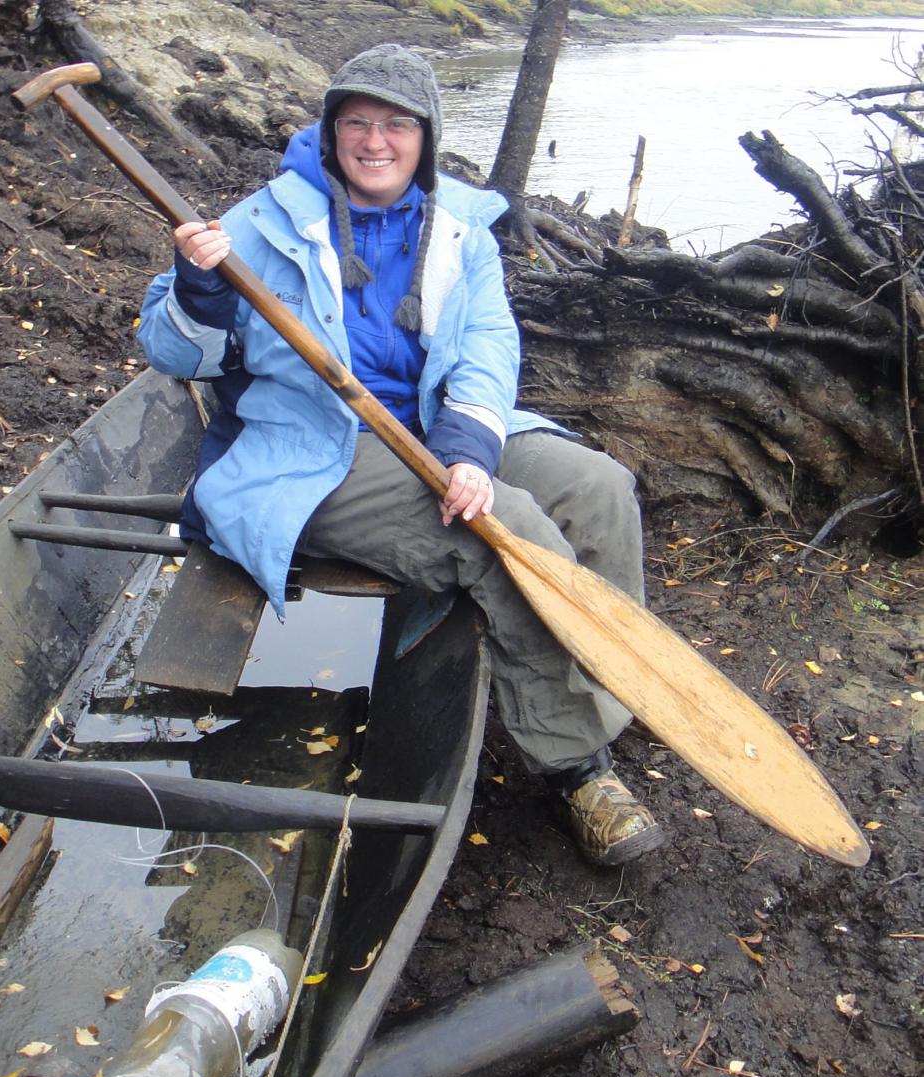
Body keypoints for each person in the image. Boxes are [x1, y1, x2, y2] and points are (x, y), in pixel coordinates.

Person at [137, 44, 665, 866]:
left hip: (429, 425)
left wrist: (467, 449)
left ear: (426, 137)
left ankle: (614, 680)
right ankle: (576, 767)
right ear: (330, 132)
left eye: (396, 125)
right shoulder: (258, 225)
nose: (374, 141)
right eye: (356, 122)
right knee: (497, 530)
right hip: (308, 448)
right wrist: (198, 287)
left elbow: (487, 347)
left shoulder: (458, 228)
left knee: (596, 487)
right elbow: (177, 356)